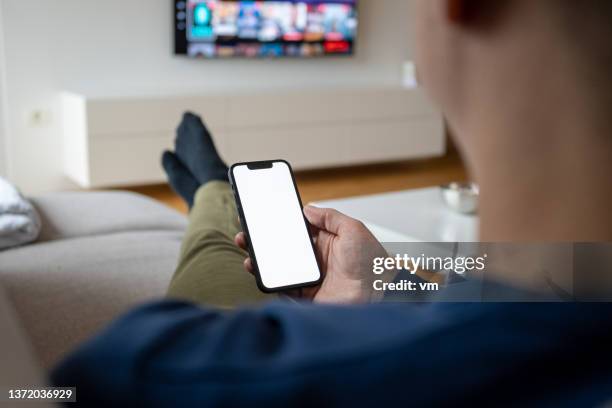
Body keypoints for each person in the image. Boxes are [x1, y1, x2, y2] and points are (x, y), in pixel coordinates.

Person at [52, 1, 612, 406]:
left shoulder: (158, 369)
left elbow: (52, 387)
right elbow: (551, 281)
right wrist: (392, 281)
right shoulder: (571, 282)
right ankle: (211, 186)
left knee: (219, 254)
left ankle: (210, 191)